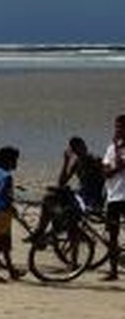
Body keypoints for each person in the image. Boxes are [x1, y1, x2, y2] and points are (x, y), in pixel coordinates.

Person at [0, 146, 23, 282]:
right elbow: (5, 194)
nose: (16, 163)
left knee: (5, 242)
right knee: (0, 241)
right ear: (8, 161)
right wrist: (11, 207)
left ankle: (11, 270)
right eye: (14, 160)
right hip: (3, 211)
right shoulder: (7, 177)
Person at [102, 114, 125, 281]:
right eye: (116, 127)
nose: (117, 130)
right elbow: (106, 170)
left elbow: (119, 166)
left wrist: (118, 149)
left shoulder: (116, 148)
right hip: (113, 196)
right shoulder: (111, 147)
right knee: (112, 235)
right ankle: (113, 271)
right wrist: (111, 169)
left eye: (120, 127)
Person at [57, 136, 106, 213]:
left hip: (93, 198)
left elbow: (107, 180)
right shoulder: (77, 163)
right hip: (81, 194)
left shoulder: (95, 161)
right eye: (77, 149)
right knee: (57, 193)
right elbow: (61, 182)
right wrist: (66, 162)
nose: (81, 151)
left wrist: (103, 200)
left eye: (82, 147)